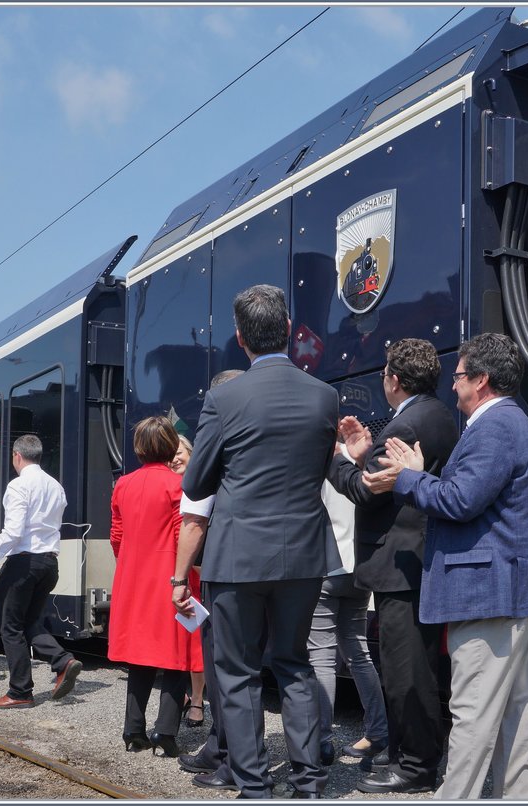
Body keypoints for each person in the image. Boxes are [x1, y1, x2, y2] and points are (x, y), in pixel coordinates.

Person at [365, 332, 528, 799]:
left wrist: (408, 478)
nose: (453, 387)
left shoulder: (494, 427)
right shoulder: (512, 422)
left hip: (490, 593)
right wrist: (418, 474)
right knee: (514, 709)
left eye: (459, 377)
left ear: (482, 381)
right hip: (510, 591)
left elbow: (459, 499)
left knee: (471, 713)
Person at [174, 284, 340, 799]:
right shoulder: (325, 396)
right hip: (305, 553)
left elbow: (196, 483)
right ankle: (308, 781)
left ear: (241, 338)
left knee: (239, 672)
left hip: (239, 555)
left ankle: (254, 785)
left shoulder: (224, 399)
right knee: (294, 663)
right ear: (288, 331)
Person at [327, 338, 459, 794]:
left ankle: (417, 766)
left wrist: (339, 459)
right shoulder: (435, 414)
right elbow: (386, 479)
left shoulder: (410, 423)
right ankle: (403, 753)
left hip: (402, 564)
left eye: (384, 372)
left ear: (394, 380)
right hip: (411, 561)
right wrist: (366, 455)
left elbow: (366, 490)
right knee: (408, 666)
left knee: (408, 671)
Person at [108, 416, 200, 758]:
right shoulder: (178, 485)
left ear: (138, 448)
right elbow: (182, 535)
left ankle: (133, 730)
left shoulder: (123, 485)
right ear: (168, 447)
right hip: (169, 574)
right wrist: (184, 576)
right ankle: (165, 733)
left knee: (139, 657)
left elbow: (117, 536)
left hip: (131, 576)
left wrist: (131, 563)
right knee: (176, 655)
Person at [172, 370, 245, 793]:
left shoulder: (220, 448)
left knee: (226, 670)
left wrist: (178, 578)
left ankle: (231, 756)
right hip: (255, 567)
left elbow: (195, 518)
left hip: (225, 569)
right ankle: (218, 745)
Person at [0, 434, 82, 709]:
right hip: (49, 564)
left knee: (10, 627)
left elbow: (13, 531)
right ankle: (62, 660)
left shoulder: (18, 486)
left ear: (16, 456)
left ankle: (20, 692)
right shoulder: (56, 487)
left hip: (23, 564)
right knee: (29, 622)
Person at [307, 472, 389, 770]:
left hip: (327, 566)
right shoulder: (361, 467)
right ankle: (377, 731)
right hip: (359, 568)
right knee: (359, 653)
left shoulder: (321, 462)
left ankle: (322, 741)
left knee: (322, 656)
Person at [170, 434, 207, 727]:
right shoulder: (169, 486)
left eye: (180, 452)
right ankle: (178, 696)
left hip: (195, 572)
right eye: (170, 453)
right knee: (175, 639)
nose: (175, 458)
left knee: (196, 641)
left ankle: (197, 700)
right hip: (172, 573)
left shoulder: (199, 483)